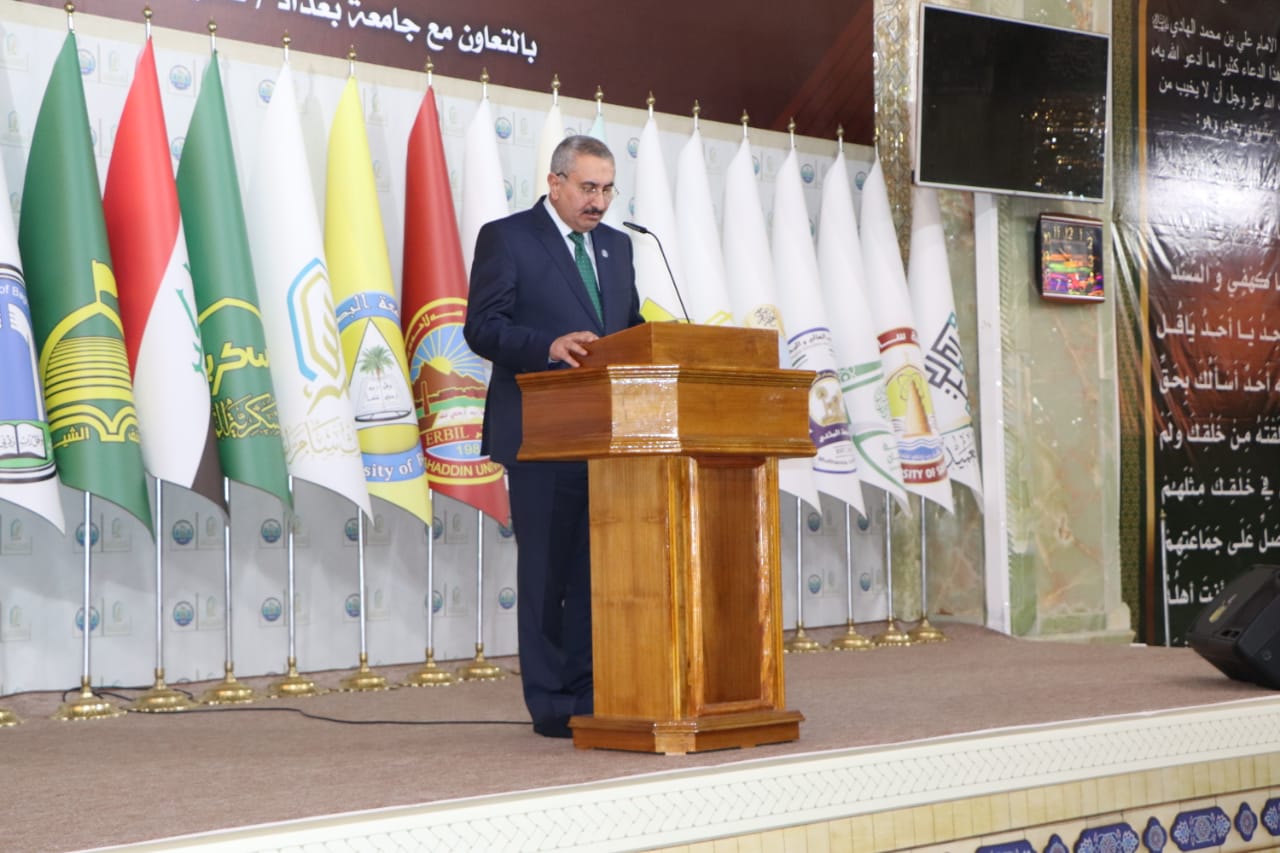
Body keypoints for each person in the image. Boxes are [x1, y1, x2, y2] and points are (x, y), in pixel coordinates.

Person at [464, 135, 644, 739]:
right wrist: (547, 346)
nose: (600, 202)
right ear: (555, 182)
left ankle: (593, 693)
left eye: (608, 189)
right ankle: (551, 704)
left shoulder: (617, 247)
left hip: (608, 437)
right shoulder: (508, 237)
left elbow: (628, 328)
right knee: (547, 575)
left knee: (595, 576)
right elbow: (482, 327)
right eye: (589, 188)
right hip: (539, 433)